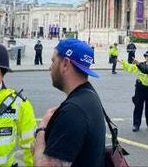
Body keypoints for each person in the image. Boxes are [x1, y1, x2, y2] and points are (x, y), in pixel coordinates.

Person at [33, 38, 105, 167]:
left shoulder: (73, 112)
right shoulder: (89, 96)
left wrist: (41, 130)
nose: (50, 68)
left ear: (65, 64)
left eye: (53, 61)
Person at [120, 50, 148, 132]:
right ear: (145, 58)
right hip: (140, 87)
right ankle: (136, 124)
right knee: (138, 106)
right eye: (147, 57)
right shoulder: (140, 65)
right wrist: (124, 63)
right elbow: (130, 68)